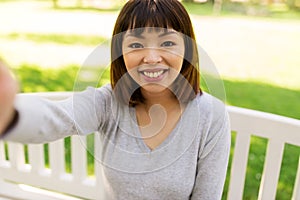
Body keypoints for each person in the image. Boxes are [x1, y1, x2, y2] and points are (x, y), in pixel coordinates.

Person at [0, 0, 231, 199]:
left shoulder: (211, 116)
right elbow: (56, 117)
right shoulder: (107, 102)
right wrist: (8, 113)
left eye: (168, 43)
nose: (151, 58)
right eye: (136, 45)